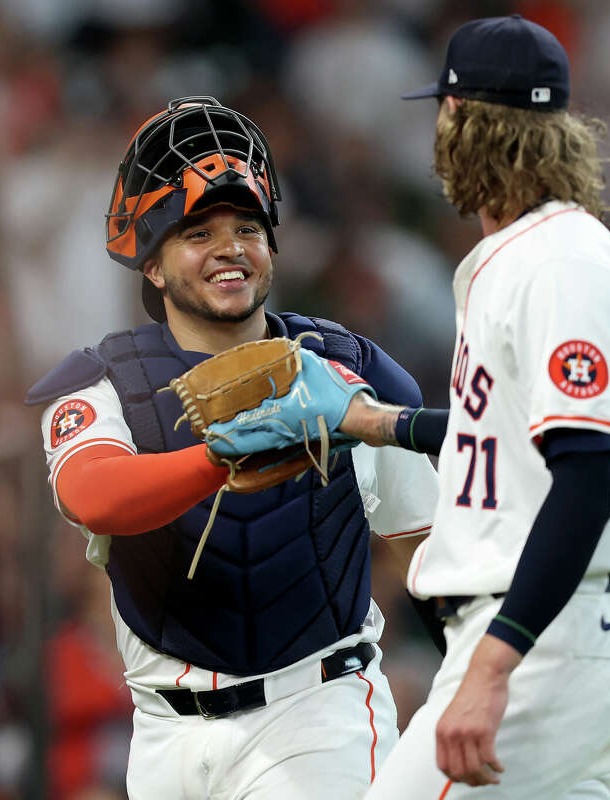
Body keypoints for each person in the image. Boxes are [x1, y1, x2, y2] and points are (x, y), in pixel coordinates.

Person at [207, 15, 610, 798]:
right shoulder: (530, 255)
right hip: (552, 645)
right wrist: (371, 421)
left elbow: (583, 479)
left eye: (441, 112)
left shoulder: (558, 263)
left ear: (466, 119)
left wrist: (493, 665)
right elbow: (515, 438)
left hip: (529, 644)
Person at [25, 96, 439, 800]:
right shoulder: (101, 384)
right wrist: (221, 459)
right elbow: (91, 493)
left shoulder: (345, 367)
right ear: (152, 267)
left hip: (317, 717)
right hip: (164, 740)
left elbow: (432, 548)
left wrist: (488, 685)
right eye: (197, 232)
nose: (229, 247)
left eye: (248, 226)